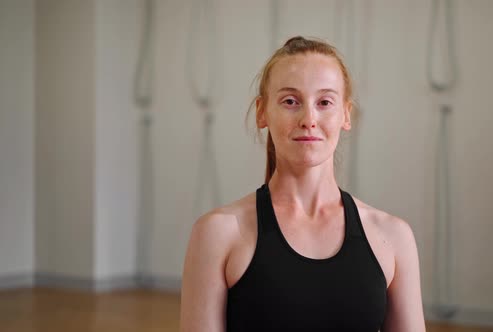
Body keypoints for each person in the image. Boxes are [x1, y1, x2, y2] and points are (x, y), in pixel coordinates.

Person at [180, 36, 425, 332]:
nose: (309, 118)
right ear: (262, 112)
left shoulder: (393, 237)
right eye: (290, 101)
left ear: (345, 114)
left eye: (324, 102)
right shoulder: (217, 234)